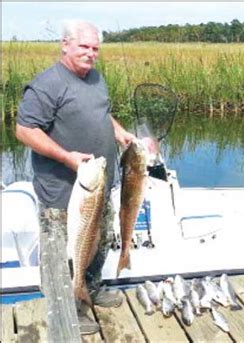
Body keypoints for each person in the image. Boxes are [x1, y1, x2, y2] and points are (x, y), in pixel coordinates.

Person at [16, 20, 135, 334]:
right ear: (65, 45)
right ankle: (64, 308)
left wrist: (119, 132)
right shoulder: (47, 84)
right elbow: (25, 130)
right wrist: (67, 157)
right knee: (58, 254)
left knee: (102, 240)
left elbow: (101, 112)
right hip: (62, 190)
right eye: (84, 46)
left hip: (97, 184)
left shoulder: (96, 78)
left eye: (95, 48)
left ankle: (88, 288)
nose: (90, 54)